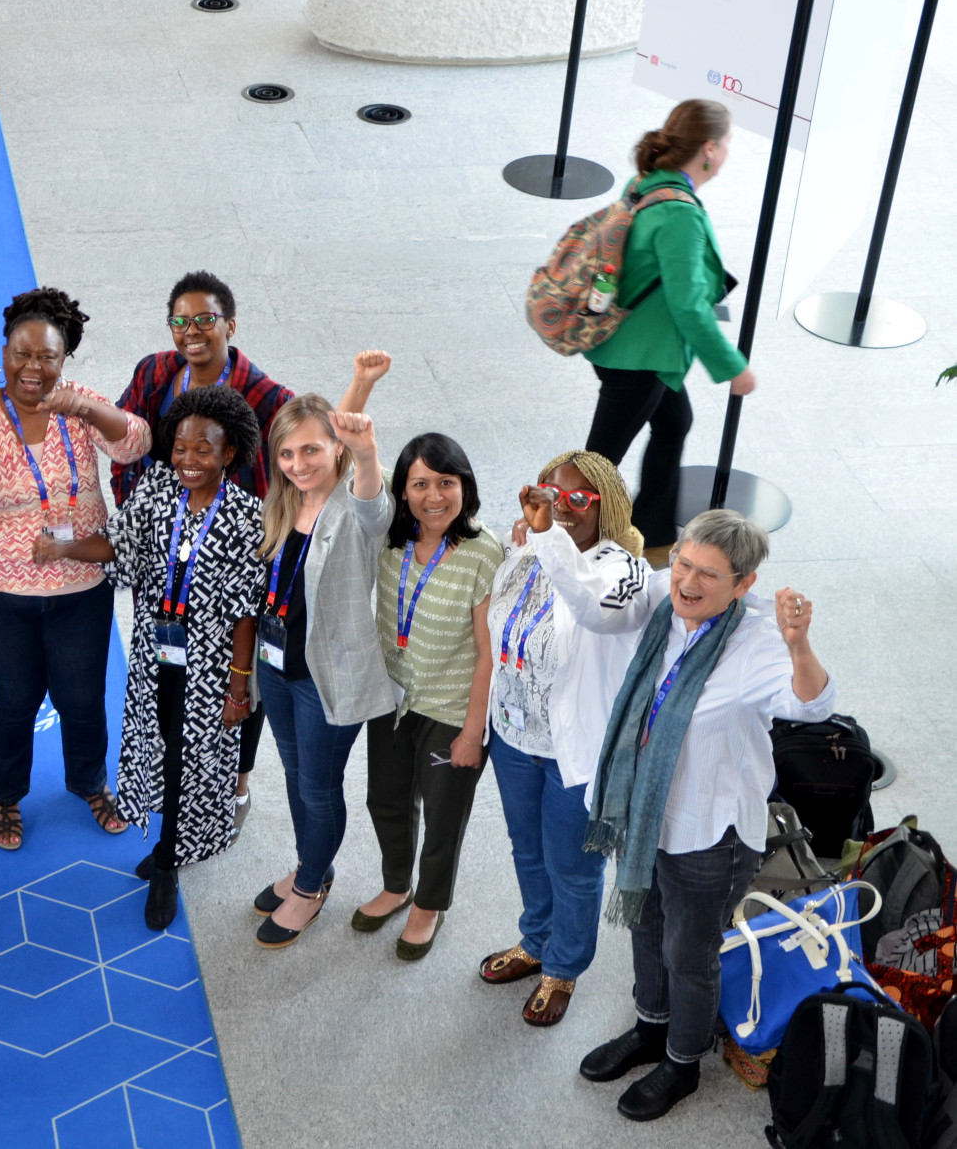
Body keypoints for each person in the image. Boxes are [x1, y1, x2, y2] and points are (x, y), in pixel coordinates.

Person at [577, 510, 833, 1122]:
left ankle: (683, 1061)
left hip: (709, 831)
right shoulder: (664, 611)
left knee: (689, 953)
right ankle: (650, 1027)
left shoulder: (758, 643)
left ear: (743, 584)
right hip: (645, 817)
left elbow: (813, 703)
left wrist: (799, 644)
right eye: (683, 565)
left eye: (708, 575)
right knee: (645, 927)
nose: (687, 582)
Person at [111, 276, 388, 834]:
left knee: (243, 678)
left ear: (230, 325)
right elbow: (128, 440)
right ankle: (168, 787)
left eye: (205, 319)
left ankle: (236, 781)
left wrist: (359, 387)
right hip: (172, 554)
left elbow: (327, 444)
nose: (192, 331)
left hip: (242, 558)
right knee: (173, 685)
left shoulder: (265, 395)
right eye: (181, 321)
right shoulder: (154, 373)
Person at [0, 287, 151, 851]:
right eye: (21, 354)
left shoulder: (76, 404)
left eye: (46, 357)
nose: (32, 368)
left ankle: (90, 784)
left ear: (63, 358)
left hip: (81, 583)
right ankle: (5, 797)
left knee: (82, 698)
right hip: (4, 591)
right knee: (16, 698)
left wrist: (87, 409)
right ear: (4, 352)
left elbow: (135, 444)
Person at [37, 386, 265, 931]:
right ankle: (167, 841)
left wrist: (238, 686)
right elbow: (119, 544)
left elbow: (245, 613)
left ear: (230, 452)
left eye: (203, 449)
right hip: (152, 652)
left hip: (210, 665)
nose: (189, 460)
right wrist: (65, 547)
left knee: (193, 756)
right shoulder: (158, 489)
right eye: (181, 448)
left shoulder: (247, 517)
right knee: (158, 745)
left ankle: (167, 860)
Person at [478, 452, 648, 1027]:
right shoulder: (526, 551)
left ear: (608, 505)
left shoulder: (624, 572)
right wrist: (533, 539)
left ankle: (564, 965)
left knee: (573, 867)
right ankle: (536, 940)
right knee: (526, 849)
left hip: (575, 754)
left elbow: (593, 609)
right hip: (513, 736)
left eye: (578, 499)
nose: (561, 508)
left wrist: (546, 534)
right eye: (549, 495)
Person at [248, 398, 392, 951]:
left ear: (337, 448)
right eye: (286, 453)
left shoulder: (353, 507)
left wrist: (367, 451)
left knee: (318, 785)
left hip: (325, 677)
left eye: (311, 449)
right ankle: (312, 864)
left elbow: (375, 506)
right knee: (293, 773)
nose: (298, 463)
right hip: (276, 665)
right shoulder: (282, 501)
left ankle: (309, 889)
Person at [353, 434, 503, 960]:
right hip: (392, 699)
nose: (433, 496)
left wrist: (472, 733)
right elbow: (357, 476)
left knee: (443, 816)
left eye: (446, 482)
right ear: (402, 489)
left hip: (452, 707)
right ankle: (397, 886)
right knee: (386, 799)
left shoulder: (485, 553)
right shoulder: (391, 537)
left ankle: (428, 904)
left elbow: (489, 654)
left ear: (466, 486)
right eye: (420, 484)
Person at [584, 100, 753, 559]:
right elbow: (689, 307)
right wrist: (733, 367)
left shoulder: (649, 182)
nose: (729, 152)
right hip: (639, 357)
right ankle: (557, 541)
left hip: (631, 342)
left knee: (675, 422)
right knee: (595, 467)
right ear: (709, 149)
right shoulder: (680, 214)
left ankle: (652, 529)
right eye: (728, 143)